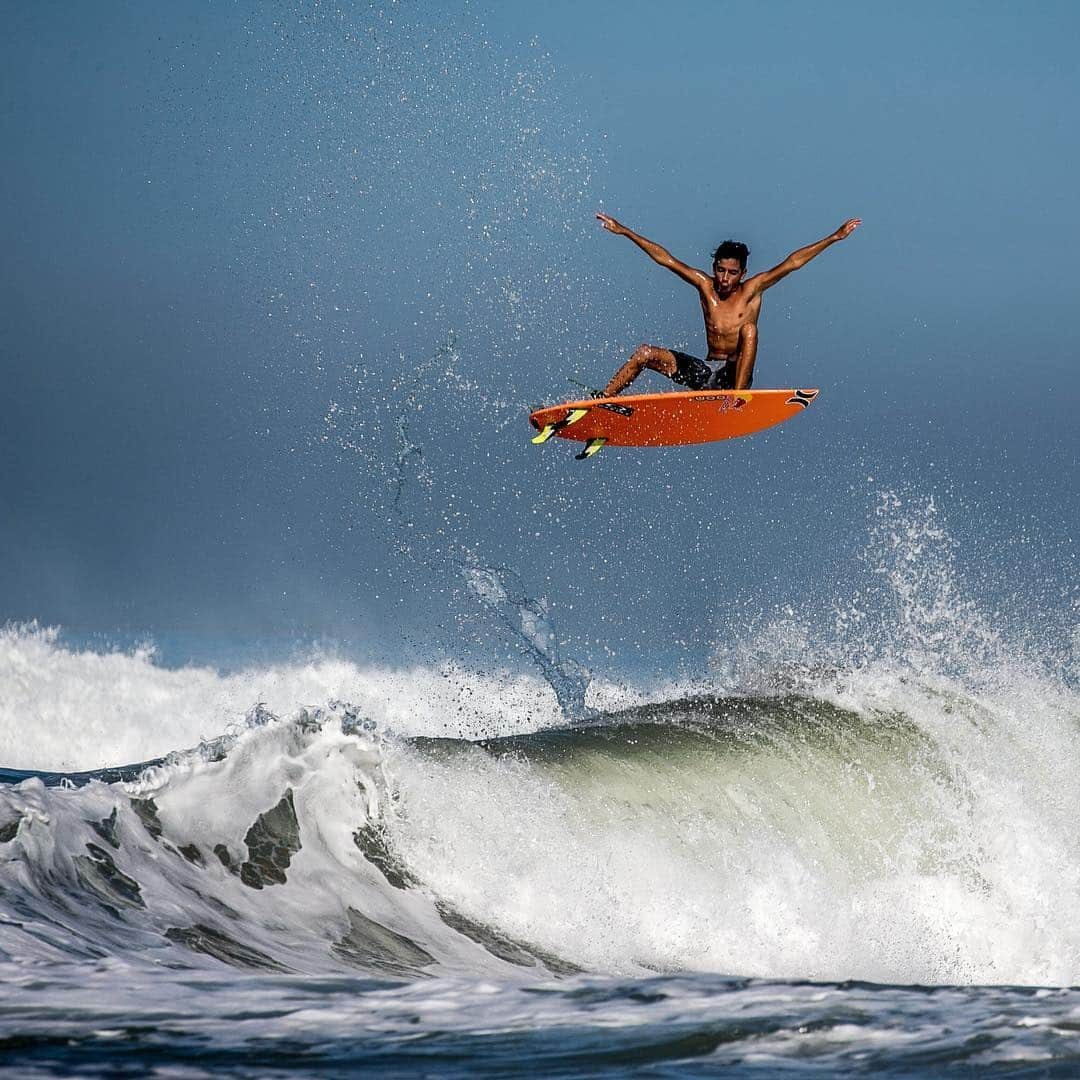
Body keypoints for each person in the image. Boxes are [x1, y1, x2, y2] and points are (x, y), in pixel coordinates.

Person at [596, 213, 861, 394]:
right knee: (644, 353)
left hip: (733, 375)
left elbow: (793, 263)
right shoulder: (705, 285)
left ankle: (738, 398)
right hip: (706, 373)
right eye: (720, 270)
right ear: (714, 267)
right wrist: (623, 231)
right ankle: (603, 401)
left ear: (742, 274)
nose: (724, 278)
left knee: (749, 330)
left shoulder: (752, 289)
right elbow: (666, 259)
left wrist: (833, 237)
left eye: (732, 273)